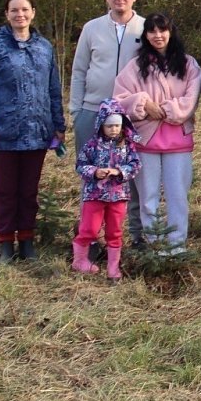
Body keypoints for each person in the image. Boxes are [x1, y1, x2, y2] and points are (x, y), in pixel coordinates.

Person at [0, 0, 64, 263]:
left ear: (33, 13)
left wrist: (58, 125)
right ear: (7, 14)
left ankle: (26, 240)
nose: (19, 15)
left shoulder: (44, 48)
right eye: (14, 10)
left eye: (24, 9)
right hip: (3, 132)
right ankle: (5, 243)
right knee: (5, 190)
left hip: (37, 131)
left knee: (28, 190)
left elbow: (53, 89)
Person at [113, 13, 201, 254]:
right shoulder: (135, 66)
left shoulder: (188, 64)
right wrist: (142, 103)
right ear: (146, 35)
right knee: (148, 198)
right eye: (152, 31)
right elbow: (119, 99)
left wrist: (163, 110)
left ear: (171, 32)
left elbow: (190, 100)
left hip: (178, 141)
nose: (158, 35)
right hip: (146, 141)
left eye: (162, 30)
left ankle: (176, 246)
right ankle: (155, 246)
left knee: (178, 196)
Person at [69, 0, 145, 151]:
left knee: (127, 166)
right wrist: (77, 113)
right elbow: (79, 71)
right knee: (91, 165)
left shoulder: (146, 28)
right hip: (93, 110)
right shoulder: (91, 28)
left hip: (130, 113)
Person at [72, 99, 140, 280]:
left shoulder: (127, 145)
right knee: (89, 228)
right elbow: (80, 165)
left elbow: (135, 165)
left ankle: (113, 267)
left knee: (115, 231)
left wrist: (120, 171)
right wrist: (95, 172)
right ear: (101, 125)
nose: (113, 129)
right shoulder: (92, 145)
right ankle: (79, 260)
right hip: (94, 194)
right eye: (109, 126)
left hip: (118, 195)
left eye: (117, 125)